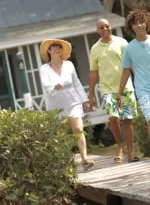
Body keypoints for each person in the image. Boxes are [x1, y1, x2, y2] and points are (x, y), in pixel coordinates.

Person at [117, 10, 150, 169]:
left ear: (147, 23)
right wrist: (119, 94)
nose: (139, 25)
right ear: (131, 26)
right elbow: (126, 71)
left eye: (141, 22)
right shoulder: (129, 48)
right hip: (143, 89)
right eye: (135, 23)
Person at [38, 39, 95, 171]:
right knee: (61, 134)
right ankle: (65, 163)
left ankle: (85, 159)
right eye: (54, 47)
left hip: (72, 101)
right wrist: (54, 86)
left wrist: (84, 100)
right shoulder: (44, 69)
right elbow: (45, 84)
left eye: (59, 46)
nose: (57, 48)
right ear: (49, 50)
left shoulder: (69, 65)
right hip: (56, 104)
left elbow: (76, 83)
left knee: (78, 129)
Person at [88, 19, 138, 163]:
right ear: (98, 31)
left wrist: (138, 81)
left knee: (128, 119)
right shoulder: (95, 48)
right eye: (101, 27)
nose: (105, 29)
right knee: (113, 118)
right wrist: (91, 94)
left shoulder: (122, 42)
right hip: (107, 89)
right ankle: (119, 146)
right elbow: (93, 73)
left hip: (126, 87)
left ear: (111, 27)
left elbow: (131, 63)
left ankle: (130, 151)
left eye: (107, 26)